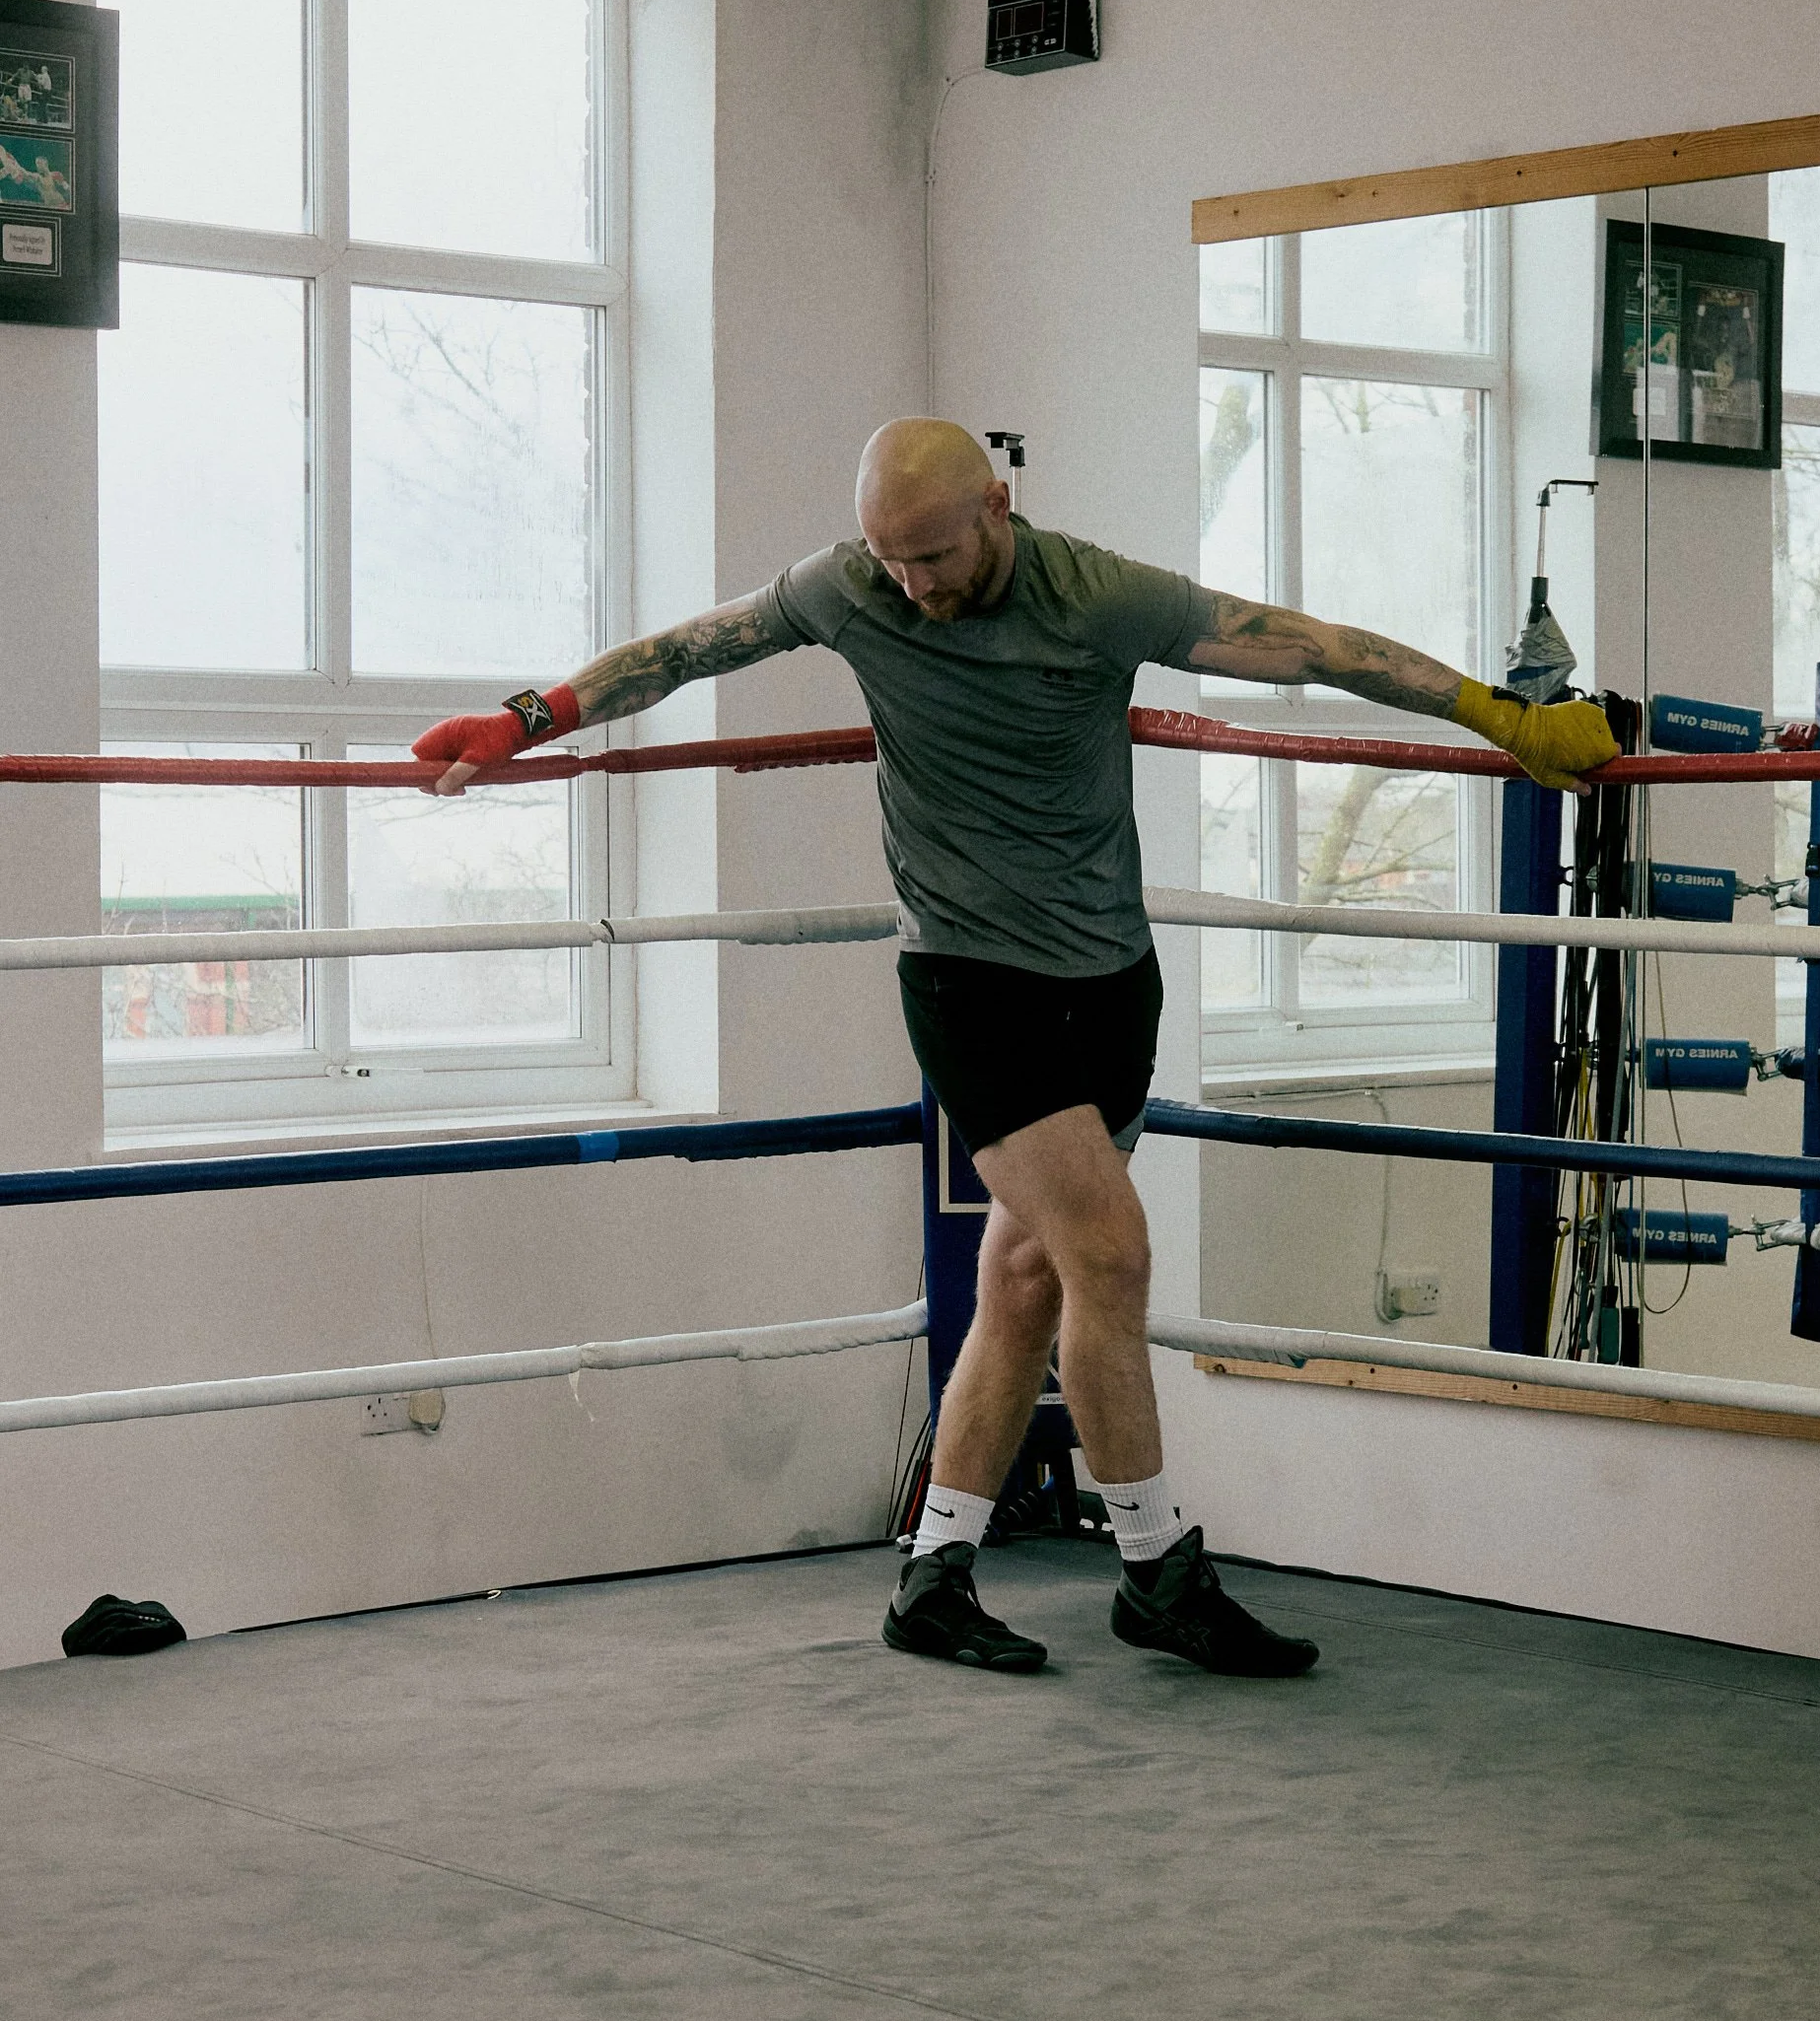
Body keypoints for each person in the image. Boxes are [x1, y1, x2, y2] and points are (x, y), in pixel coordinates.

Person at [414, 419, 1618, 1677]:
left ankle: (934, 1573)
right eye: (891, 560)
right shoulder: (849, 586)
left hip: (1110, 982)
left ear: (995, 506)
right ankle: (1155, 1568)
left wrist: (1502, 718)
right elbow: (685, 649)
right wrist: (525, 719)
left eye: (933, 556)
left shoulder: (1097, 595)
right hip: (971, 983)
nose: (912, 585)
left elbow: (1308, 645)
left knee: (1030, 1278)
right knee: (1111, 1253)